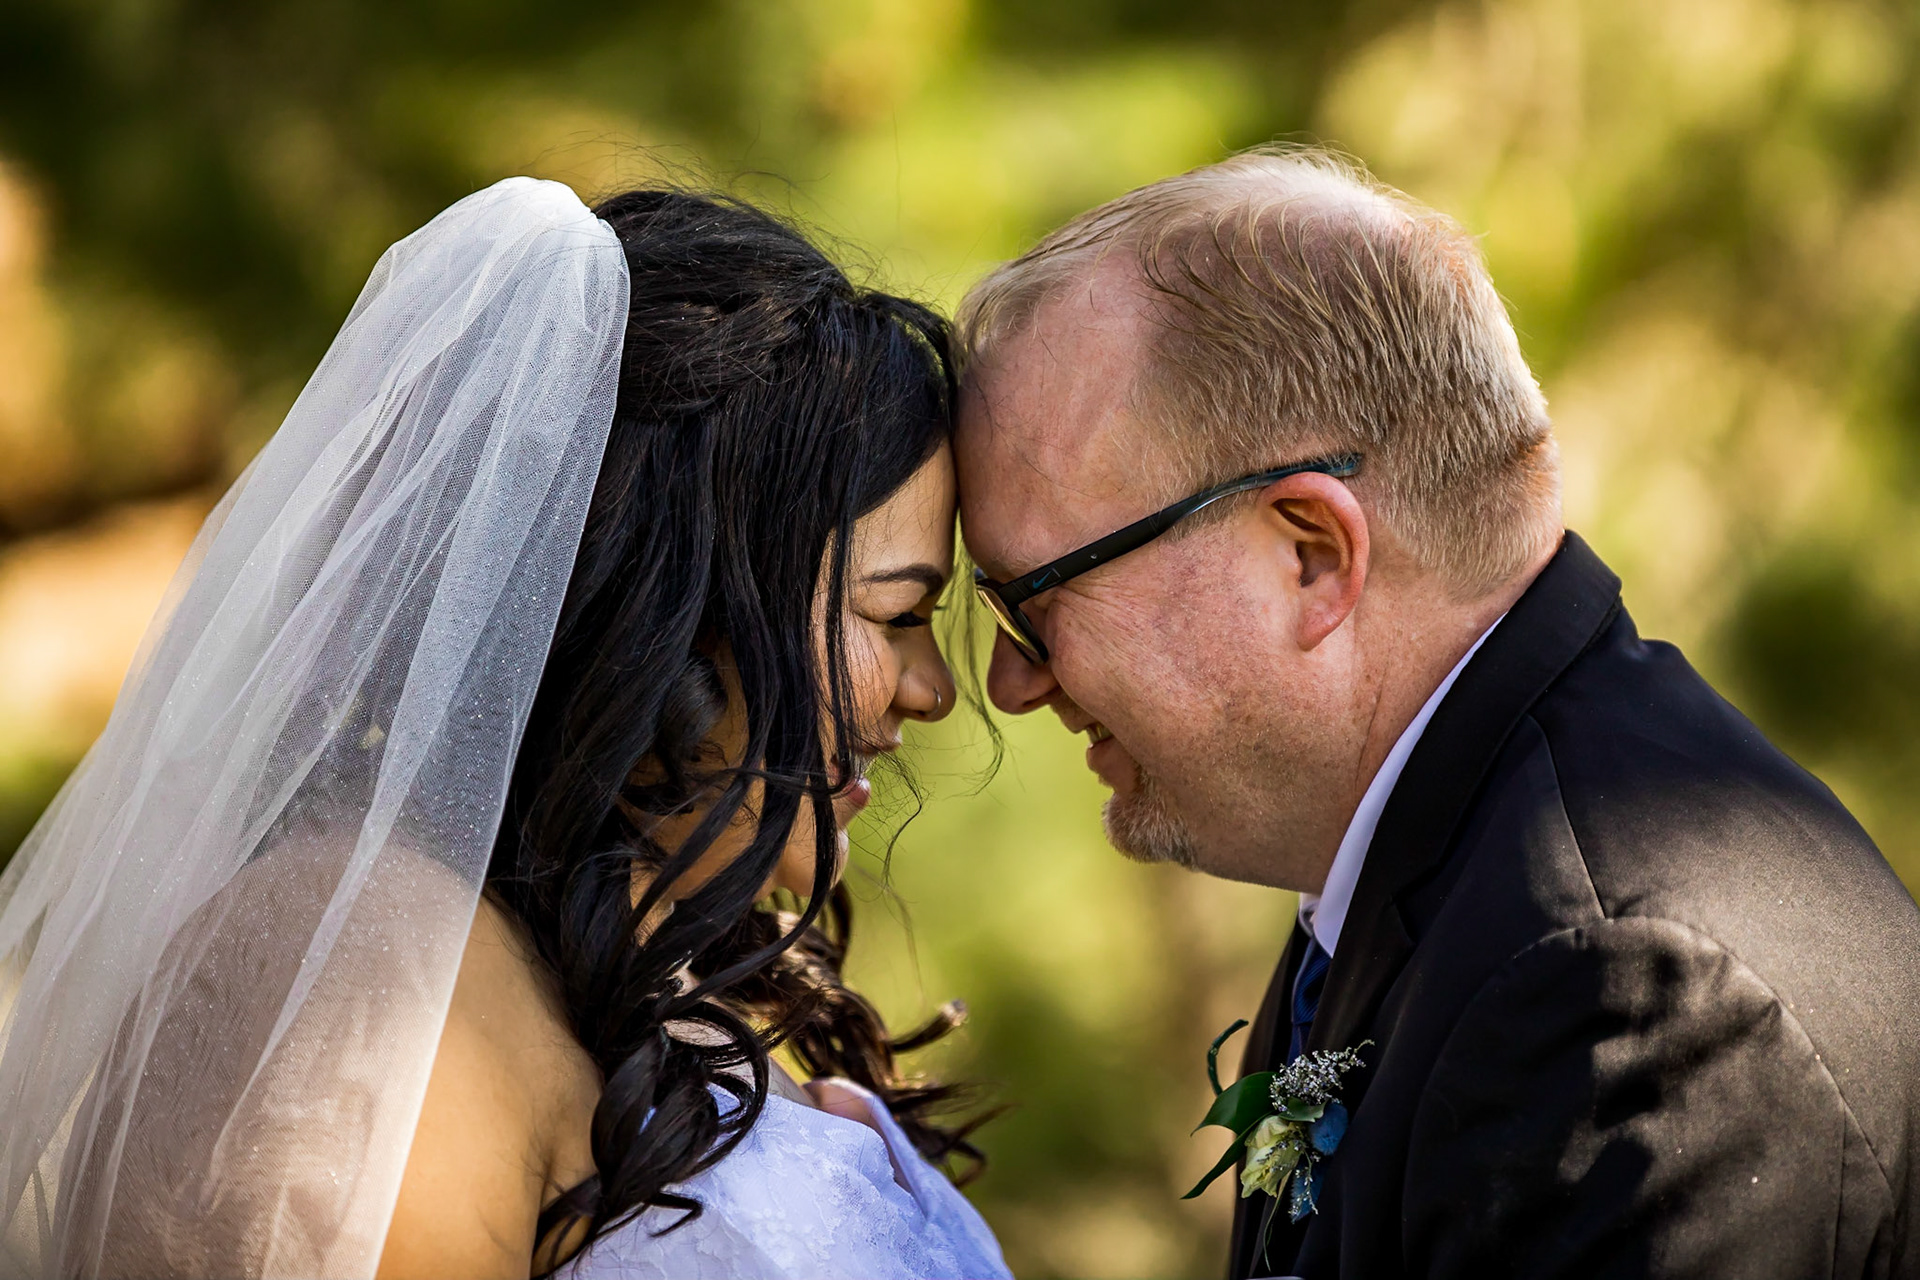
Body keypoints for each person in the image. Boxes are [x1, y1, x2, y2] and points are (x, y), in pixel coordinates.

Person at [0, 177, 1009, 1280]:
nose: (934, 688)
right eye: (897, 613)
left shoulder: (668, 976)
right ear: (671, 618)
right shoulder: (360, 974)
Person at [954, 146, 1920, 1279]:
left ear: (1311, 556)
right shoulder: (1452, 856)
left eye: (1030, 599)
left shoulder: (1623, 984)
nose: (1011, 681)